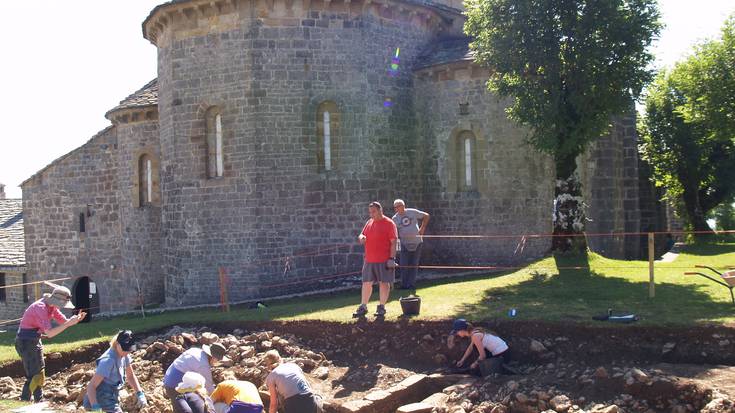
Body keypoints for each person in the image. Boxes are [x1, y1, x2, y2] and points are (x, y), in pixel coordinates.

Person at [15, 285, 86, 402]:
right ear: (56, 300)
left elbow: (64, 321)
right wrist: (68, 324)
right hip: (25, 342)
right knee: (33, 374)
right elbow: (50, 333)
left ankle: (38, 399)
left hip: (34, 340)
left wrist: (77, 319)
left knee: (40, 371)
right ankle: (25, 399)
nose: (62, 307)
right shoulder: (40, 307)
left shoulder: (51, 306)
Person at [354, 201, 398, 317]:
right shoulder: (369, 222)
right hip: (369, 259)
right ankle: (363, 306)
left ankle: (381, 307)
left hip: (384, 259)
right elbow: (361, 235)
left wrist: (392, 259)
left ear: (380, 210)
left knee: (384, 283)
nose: (371, 214)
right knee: (366, 283)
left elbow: (394, 242)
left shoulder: (389, 223)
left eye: (373, 211)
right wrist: (361, 237)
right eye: (370, 212)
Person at [83, 330, 147, 412]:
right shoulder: (108, 361)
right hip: (98, 399)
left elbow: (130, 376)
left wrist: (139, 393)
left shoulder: (125, 355)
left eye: (129, 349)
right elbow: (91, 386)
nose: (127, 352)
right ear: (117, 344)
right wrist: (95, 407)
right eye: (125, 349)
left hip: (111, 397)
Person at [163, 342, 230, 413]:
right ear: (214, 358)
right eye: (218, 360)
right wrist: (219, 399)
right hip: (175, 385)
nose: (218, 362)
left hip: (168, 377)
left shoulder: (195, 350)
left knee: (178, 405)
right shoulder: (203, 365)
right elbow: (209, 387)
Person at [392, 199, 430, 290]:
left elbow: (426, 216)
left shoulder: (412, 212)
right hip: (405, 244)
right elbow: (393, 231)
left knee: (414, 264)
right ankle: (404, 285)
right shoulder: (394, 219)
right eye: (395, 207)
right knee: (404, 264)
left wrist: (422, 228)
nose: (397, 208)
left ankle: (411, 285)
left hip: (417, 242)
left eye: (399, 206)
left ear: (403, 206)